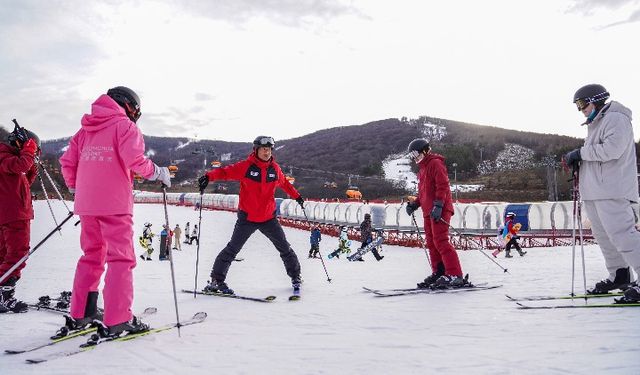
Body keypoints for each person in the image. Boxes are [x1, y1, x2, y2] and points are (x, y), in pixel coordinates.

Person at [59, 86, 172, 335]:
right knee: (120, 259)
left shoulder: (84, 131)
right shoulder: (125, 127)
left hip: (87, 205)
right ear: (129, 106)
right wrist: (159, 173)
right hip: (114, 205)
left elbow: (67, 162)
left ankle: (82, 313)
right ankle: (118, 319)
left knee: (91, 256)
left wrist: (76, 188)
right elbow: (135, 161)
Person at [197, 135, 304, 294]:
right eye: (263, 149)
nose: (266, 152)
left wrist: (297, 197)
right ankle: (216, 281)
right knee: (232, 249)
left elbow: (285, 184)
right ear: (256, 150)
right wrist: (208, 177)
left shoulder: (275, 169)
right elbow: (226, 172)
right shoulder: (246, 167)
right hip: (247, 217)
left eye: (268, 149)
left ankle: (296, 276)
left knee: (284, 248)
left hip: (268, 218)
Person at [563, 84, 640, 300]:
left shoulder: (616, 118)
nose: (581, 109)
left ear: (596, 99)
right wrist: (579, 160)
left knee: (623, 235)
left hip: (613, 190)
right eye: (578, 106)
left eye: (582, 104)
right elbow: (596, 157)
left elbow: (612, 149)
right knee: (605, 237)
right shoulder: (596, 123)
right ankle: (620, 275)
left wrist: (580, 153)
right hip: (596, 191)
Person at [405, 138, 467, 288]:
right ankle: (439, 272)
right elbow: (423, 193)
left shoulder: (435, 163)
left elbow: (443, 185)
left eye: (417, 154)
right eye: (413, 156)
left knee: (441, 241)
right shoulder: (422, 171)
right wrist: (415, 204)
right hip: (428, 211)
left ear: (425, 151)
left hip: (440, 209)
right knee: (432, 243)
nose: (416, 158)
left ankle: (454, 274)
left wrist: (439, 205)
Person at [0, 126, 40, 313]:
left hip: (11, 213)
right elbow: (18, 166)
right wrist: (28, 152)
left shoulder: (8, 158)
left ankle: (3, 294)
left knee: (5, 255)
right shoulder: (4, 156)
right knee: (18, 255)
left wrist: (31, 169)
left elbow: (20, 183)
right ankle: (5, 296)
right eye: (33, 149)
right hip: (14, 215)